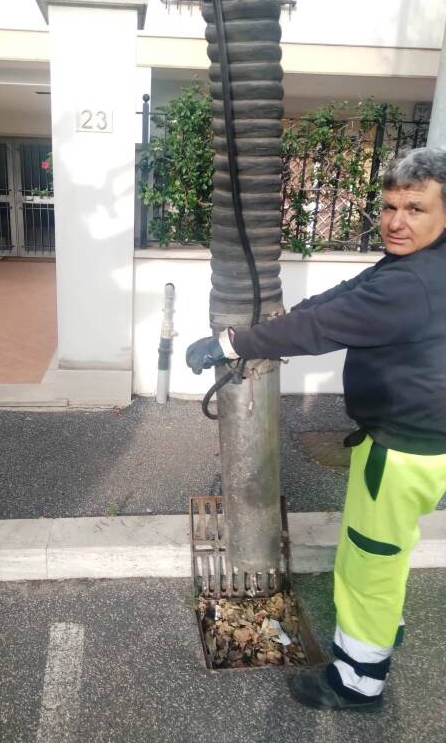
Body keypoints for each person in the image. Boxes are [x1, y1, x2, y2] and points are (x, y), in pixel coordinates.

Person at [186, 147, 446, 711]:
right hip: (426, 441)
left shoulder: (415, 284)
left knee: (366, 562)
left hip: (402, 449)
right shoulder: (417, 266)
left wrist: (230, 343)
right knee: (392, 547)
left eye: (416, 209)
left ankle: (358, 680)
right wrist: (284, 319)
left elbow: (326, 327)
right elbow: (346, 295)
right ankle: (383, 629)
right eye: (390, 206)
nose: (397, 221)